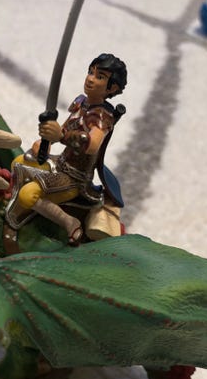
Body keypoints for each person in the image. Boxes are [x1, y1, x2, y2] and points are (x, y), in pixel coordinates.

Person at [11, 53, 127, 245]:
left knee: (28, 195)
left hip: (75, 178)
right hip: (60, 162)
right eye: (91, 72)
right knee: (17, 163)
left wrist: (60, 137)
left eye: (100, 77)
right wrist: (47, 142)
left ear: (112, 88)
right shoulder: (82, 103)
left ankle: (70, 223)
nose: (90, 79)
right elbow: (65, 128)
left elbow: (92, 146)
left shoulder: (102, 117)